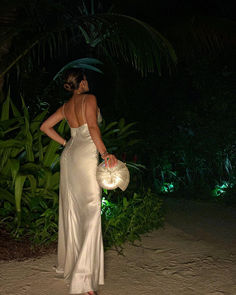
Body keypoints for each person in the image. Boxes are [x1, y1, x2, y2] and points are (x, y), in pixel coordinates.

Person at [40, 68, 118, 295]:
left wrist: (67, 144)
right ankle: (83, 283)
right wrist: (105, 154)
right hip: (85, 157)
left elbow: (45, 127)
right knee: (92, 211)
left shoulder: (66, 107)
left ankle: (74, 266)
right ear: (82, 82)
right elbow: (93, 127)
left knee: (73, 211)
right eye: (86, 80)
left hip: (70, 155)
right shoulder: (90, 99)